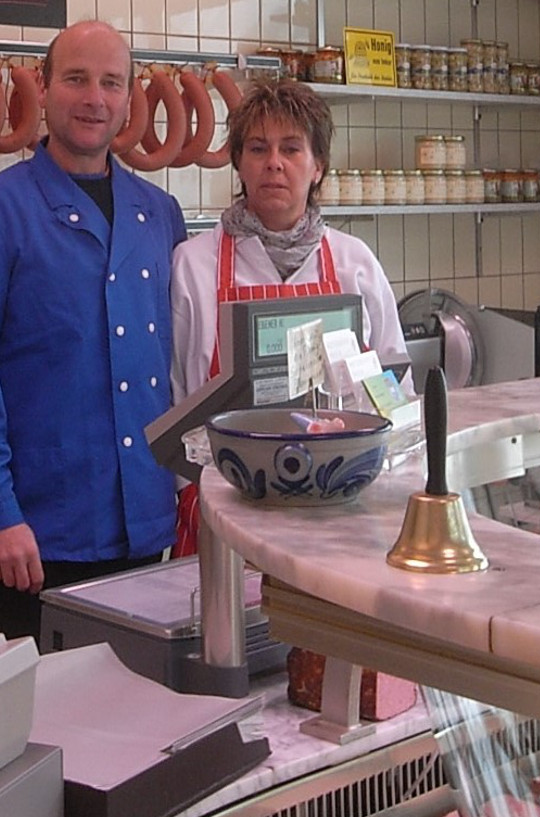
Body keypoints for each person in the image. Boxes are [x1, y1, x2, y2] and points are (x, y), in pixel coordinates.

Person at [0, 20, 188, 646]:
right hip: (34, 545)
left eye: (110, 83)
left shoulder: (161, 215)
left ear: (129, 99)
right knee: (39, 737)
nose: (94, 98)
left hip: (147, 530)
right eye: (76, 79)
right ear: (42, 90)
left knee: (138, 729)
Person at [169, 77, 409, 553]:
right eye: (258, 148)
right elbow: (178, 395)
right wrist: (196, 493)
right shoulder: (193, 263)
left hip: (339, 509)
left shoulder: (353, 262)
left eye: (291, 149)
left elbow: (395, 392)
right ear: (239, 162)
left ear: (317, 166)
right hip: (223, 508)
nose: (274, 163)